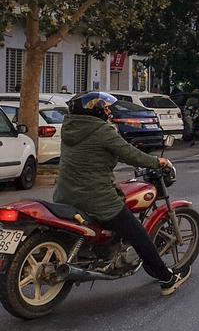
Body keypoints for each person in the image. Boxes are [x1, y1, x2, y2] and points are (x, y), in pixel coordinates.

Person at [53, 92, 190, 295]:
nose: (108, 111)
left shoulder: (70, 127)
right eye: (105, 108)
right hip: (97, 198)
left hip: (64, 195)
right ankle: (167, 278)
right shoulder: (101, 130)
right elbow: (128, 153)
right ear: (95, 110)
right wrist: (157, 162)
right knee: (138, 234)